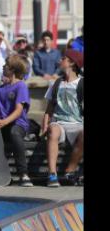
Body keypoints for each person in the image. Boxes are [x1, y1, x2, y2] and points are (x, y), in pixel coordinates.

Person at [43, 49, 84, 187]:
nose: (60, 60)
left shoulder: (82, 83)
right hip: (59, 122)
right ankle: (52, 174)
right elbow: (48, 109)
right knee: (53, 130)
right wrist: (44, 127)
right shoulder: (55, 83)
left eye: (63, 59)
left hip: (77, 124)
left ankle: (69, 171)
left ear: (72, 63)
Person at [0, 56, 33, 187]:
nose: (3, 67)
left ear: (13, 69)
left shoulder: (20, 86)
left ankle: (23, 174)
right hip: (3, 124)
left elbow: (18, 110)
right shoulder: (1, 89)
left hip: (18, 124)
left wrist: (4, 122)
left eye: (6, 65)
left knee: (14, 133)